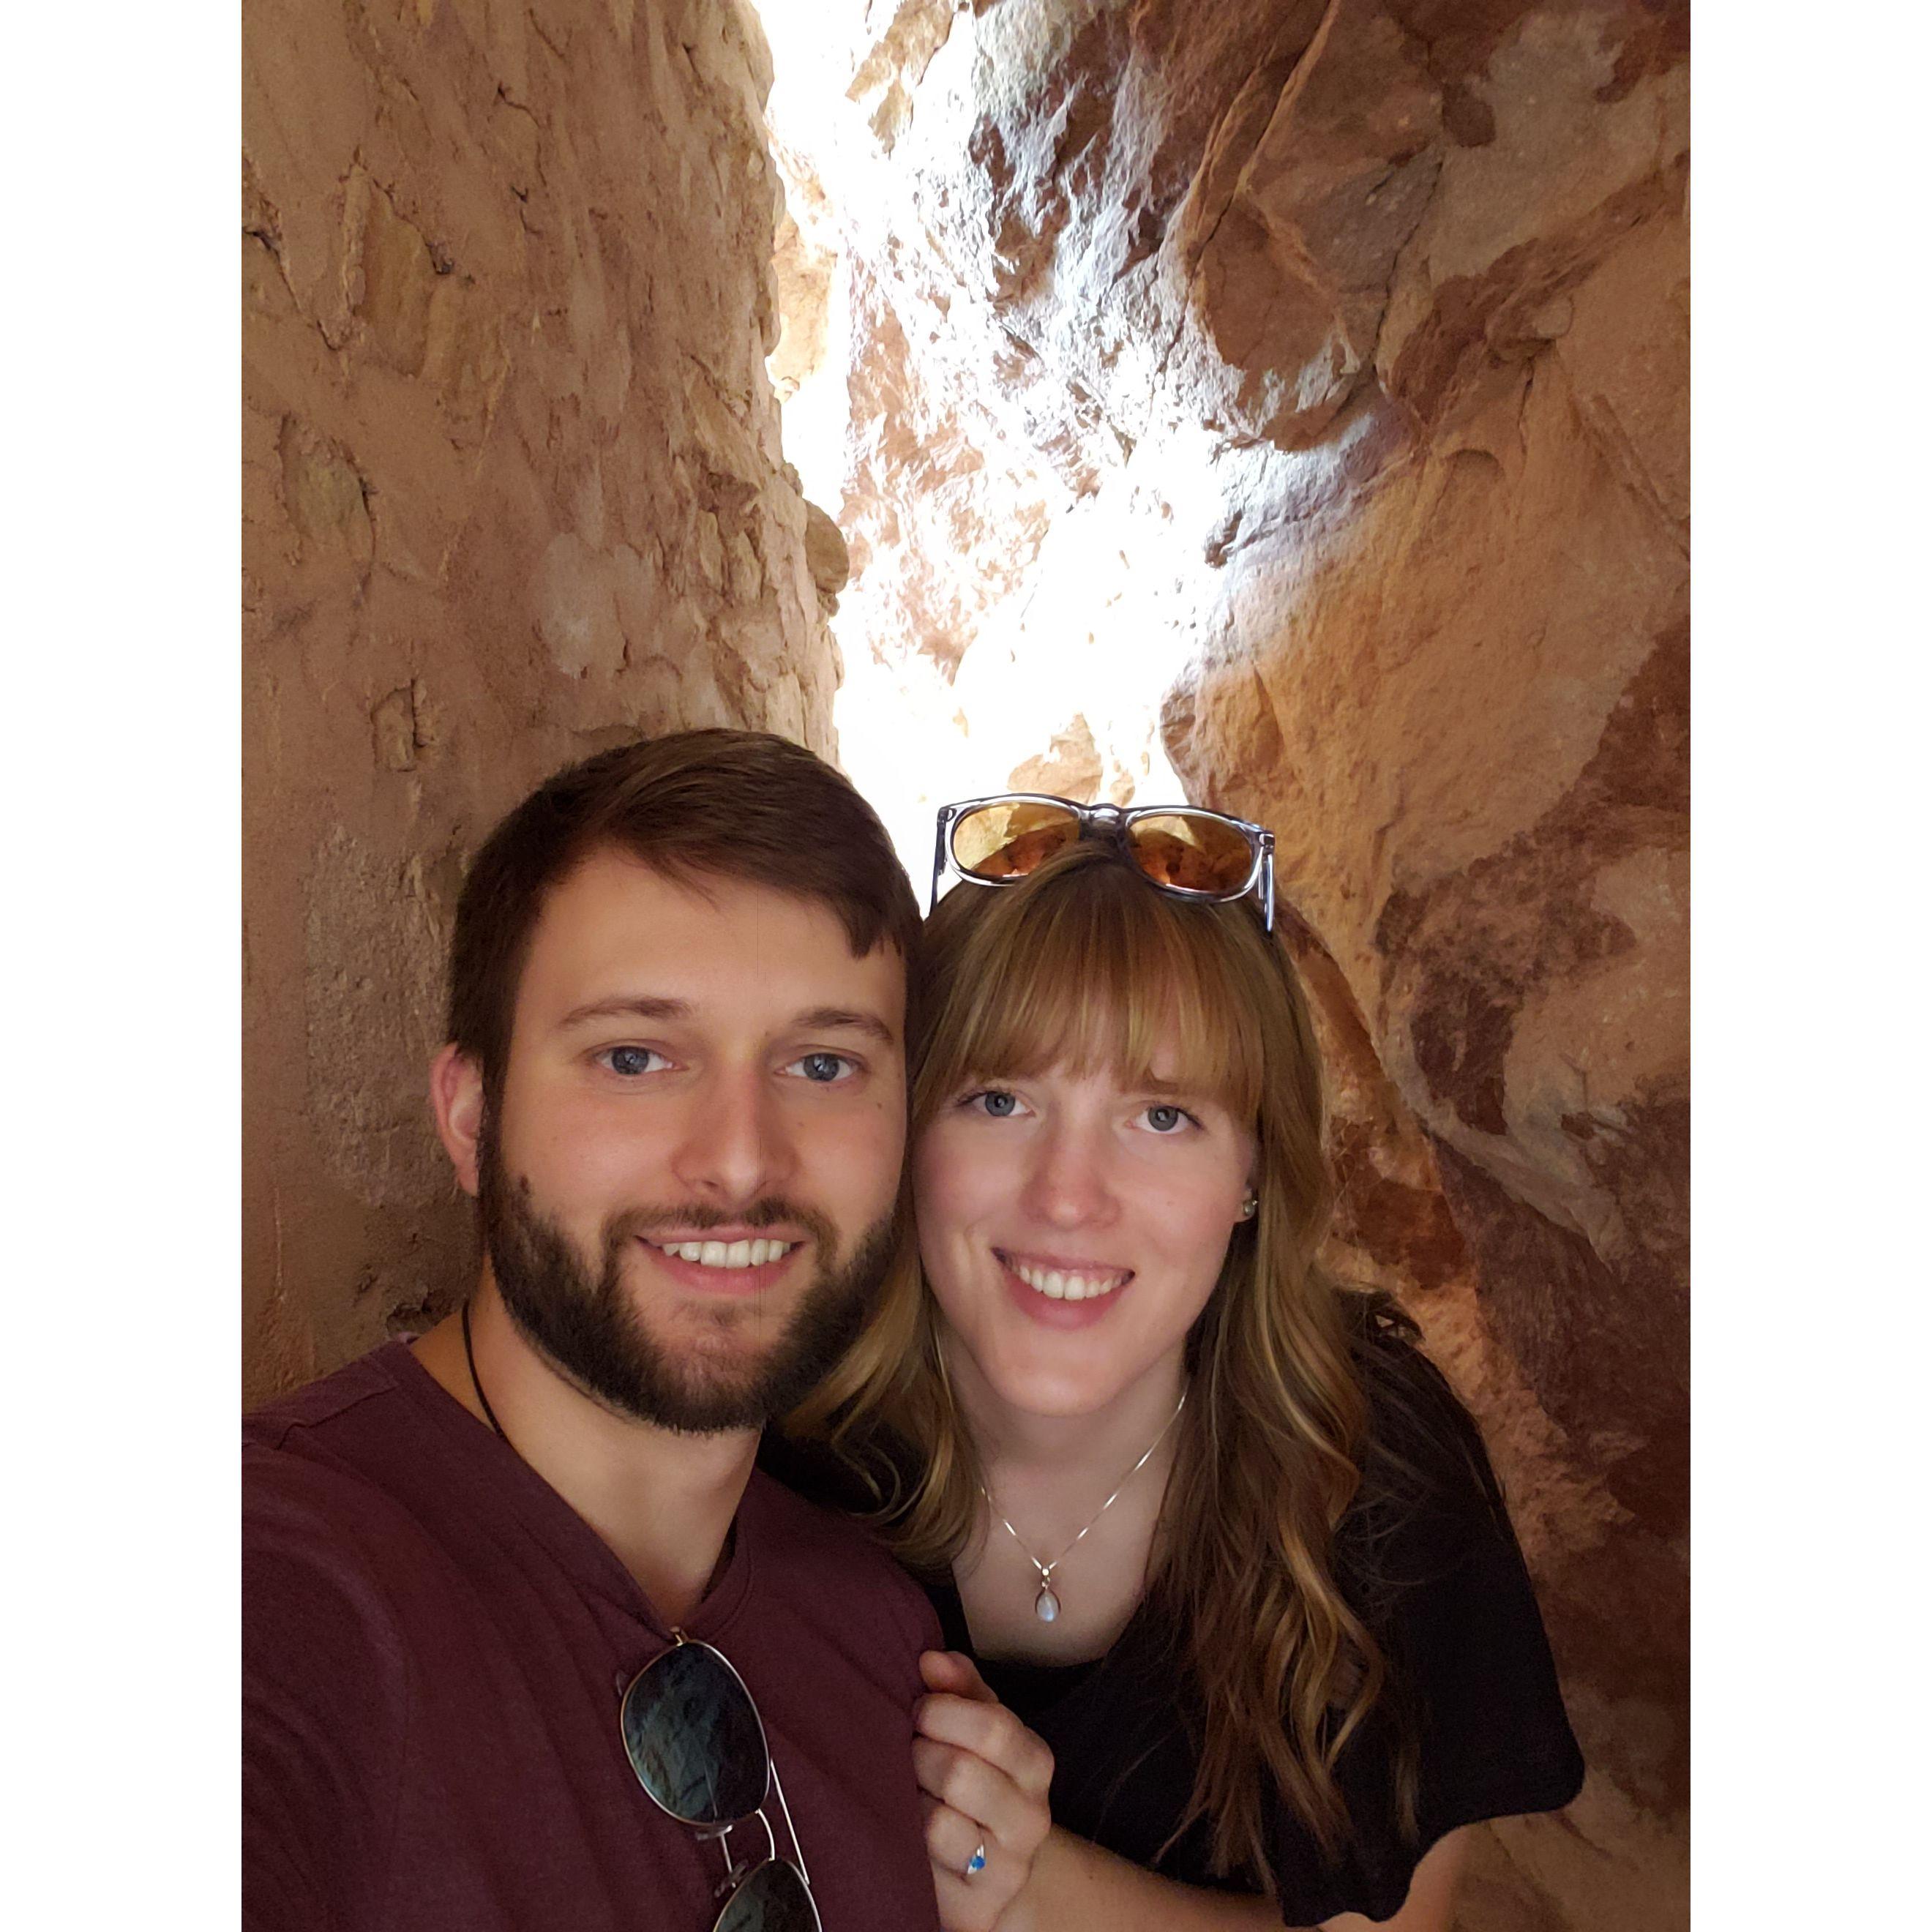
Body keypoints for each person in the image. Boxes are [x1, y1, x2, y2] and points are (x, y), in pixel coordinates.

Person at [782, 795, 1587, 1931]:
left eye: (1162, 1117)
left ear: (1253, 1173)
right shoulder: (780, 1449)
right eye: (1000, 1098)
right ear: (908, 1136)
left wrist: (1030, 1886)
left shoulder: (1368, 1462)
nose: (1069, 1196)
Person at [244, 731, 994, 1932]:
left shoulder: (880, 1632)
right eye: (636, 1057)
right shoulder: (276, 1583)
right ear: (472, 1116)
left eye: (821, 1061)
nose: (743, 1158)